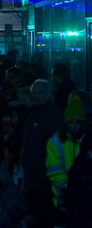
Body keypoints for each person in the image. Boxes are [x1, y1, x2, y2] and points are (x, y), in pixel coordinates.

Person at [21, 79, 64, 228]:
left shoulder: (52, 113)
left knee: (43, 214)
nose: (37, 96)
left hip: (43, 175)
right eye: (34, 93)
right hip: (34, 173)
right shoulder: (33, 112)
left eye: (41, 93)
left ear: (49, 93)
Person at [46, 95, 86, 226]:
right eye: (71, 122)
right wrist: (66, 188)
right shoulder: (56, 141)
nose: (74, 126)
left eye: (78, 122)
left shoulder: (85, 140)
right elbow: (54, 170)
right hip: (65, 195)